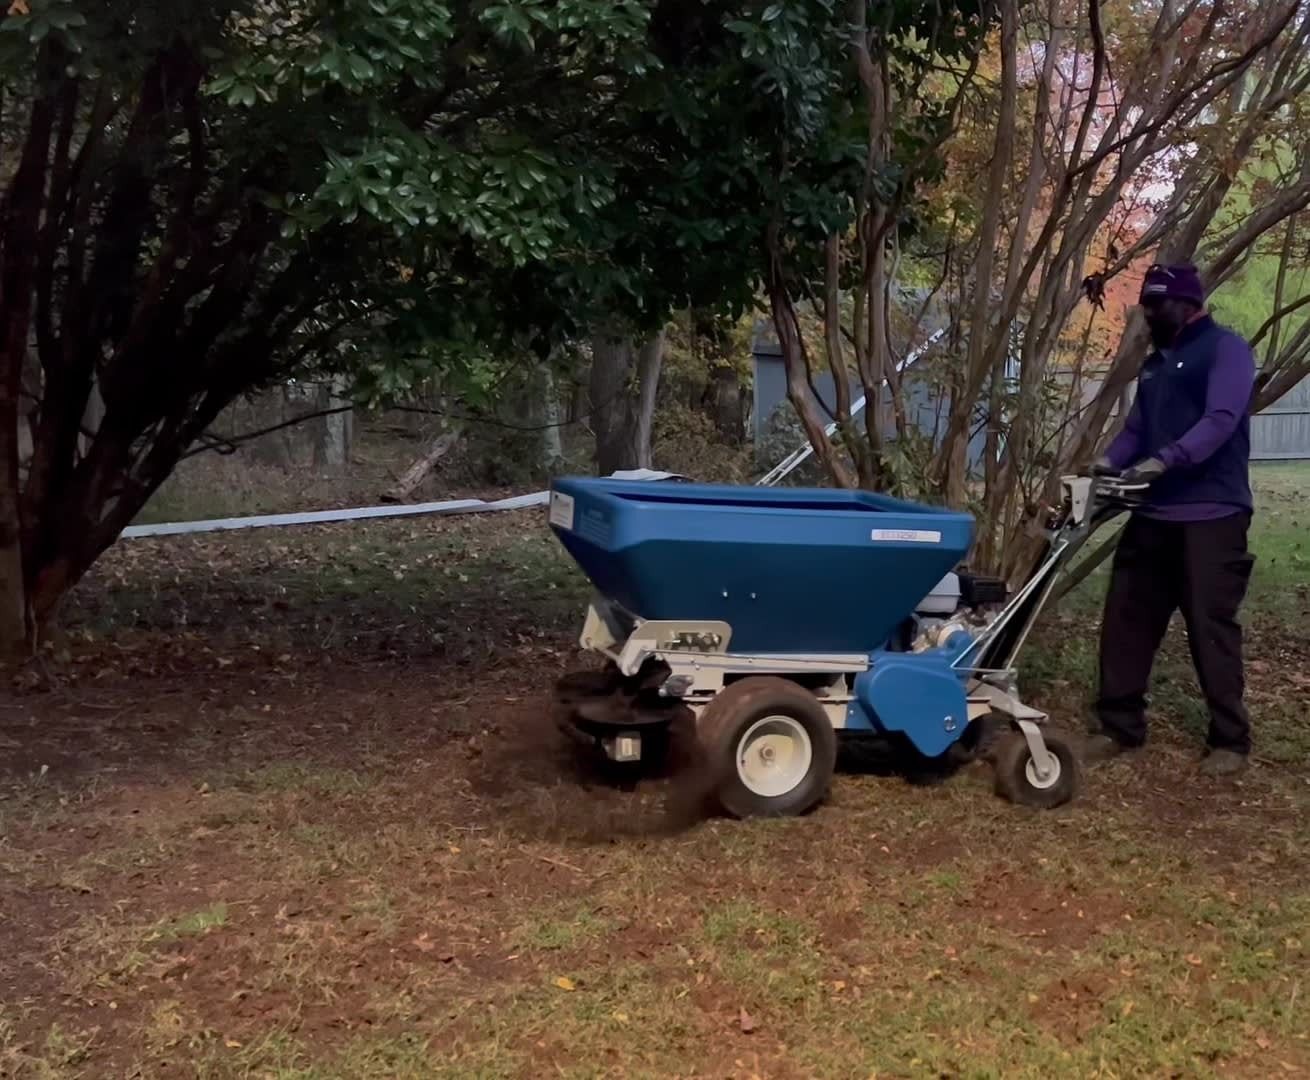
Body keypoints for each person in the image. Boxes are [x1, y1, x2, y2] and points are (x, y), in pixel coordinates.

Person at [1086, 262, 1256, 776]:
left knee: (1211, 626)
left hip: (1213, 513)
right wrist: (1107, 463)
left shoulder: (1225, 350)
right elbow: (1136, 429)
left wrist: (1168, 459)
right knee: (1126, 619)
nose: (1150, 315)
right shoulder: (1158, 364)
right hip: (1154, 512)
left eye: (1157, 306)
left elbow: (1222, 419)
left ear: (1186, 304)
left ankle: (1229, 740)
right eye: (1146, 306)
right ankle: (1118, 725)